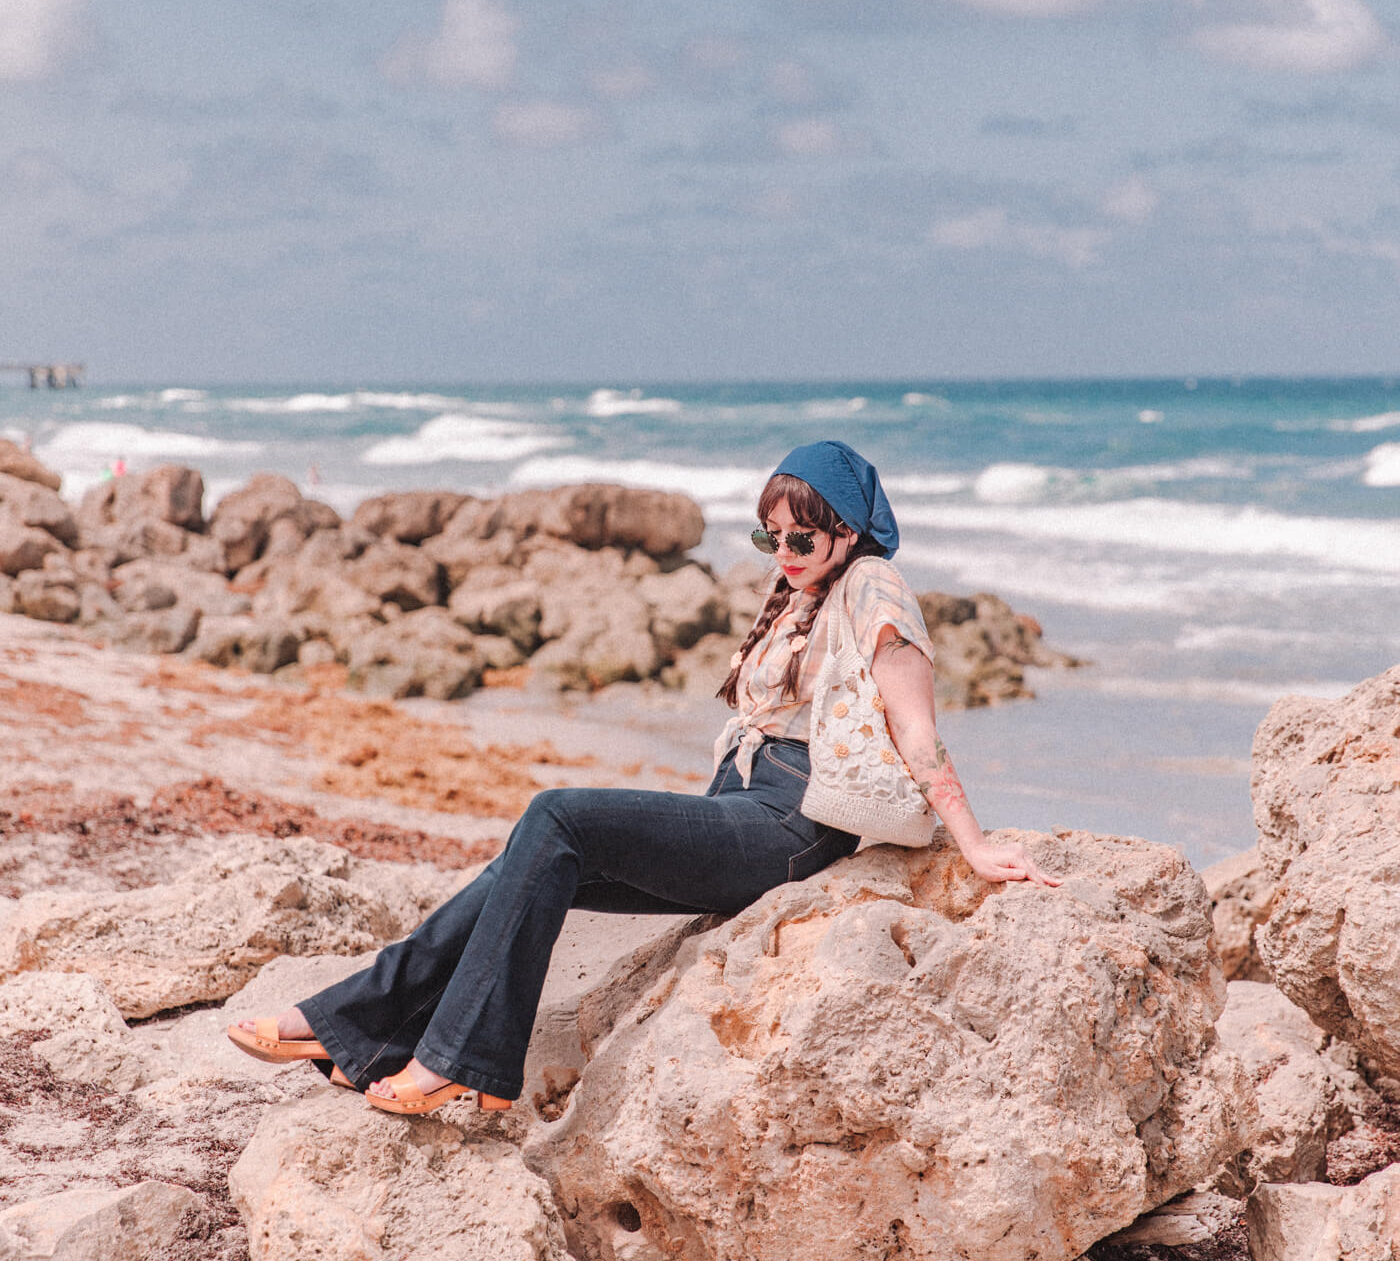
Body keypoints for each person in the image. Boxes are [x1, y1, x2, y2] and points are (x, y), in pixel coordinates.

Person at [228, 441, 1058, 1116]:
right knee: (535, 854)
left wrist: (976, 847)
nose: (786, 555)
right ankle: (355, 1028)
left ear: (849, 532)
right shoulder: (802, 592)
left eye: (802, 539)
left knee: (556, 813)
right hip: (741, 812)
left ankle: (464, 1062)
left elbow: (917, 726)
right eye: (772, 538)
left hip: (791, 822)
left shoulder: (874, 582)